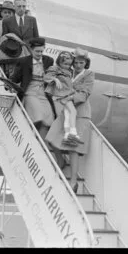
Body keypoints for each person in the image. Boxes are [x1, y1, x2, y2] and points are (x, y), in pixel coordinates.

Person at [45, 48, 94, 193]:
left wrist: (68, 98)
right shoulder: (68, 72)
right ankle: (60, 161)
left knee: (73, 148)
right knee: (51, 137)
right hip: (66, 111)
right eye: (76, 62)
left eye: (81, 62)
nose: (78, 65)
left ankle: (73, 182)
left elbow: (85, 94)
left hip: (80, 114)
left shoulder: (89, 74)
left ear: (86, 63)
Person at [10, 37, 56, 140]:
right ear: (31, 50)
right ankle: (30, 137)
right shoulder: (23, 61)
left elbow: (51, 74)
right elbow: (15, 78)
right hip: (30, 91)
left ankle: (40, 141)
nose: (39, 54)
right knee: (38, 116)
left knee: (49, 118)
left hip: (43, 92)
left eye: (41, 51)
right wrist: (9, 82)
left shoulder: (48, 60)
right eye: (37, 51)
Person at [44, 51, 81, 142]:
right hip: (59, 95)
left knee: (68, 114)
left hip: (66, 95)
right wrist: (55, 79)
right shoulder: (55, 68)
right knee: (70, 113)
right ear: (59, 62)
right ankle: (70, 133)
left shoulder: (69, 71)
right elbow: (46, 77)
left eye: (69, 64)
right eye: (65, 64)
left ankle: (67, 134)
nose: (67, 66)